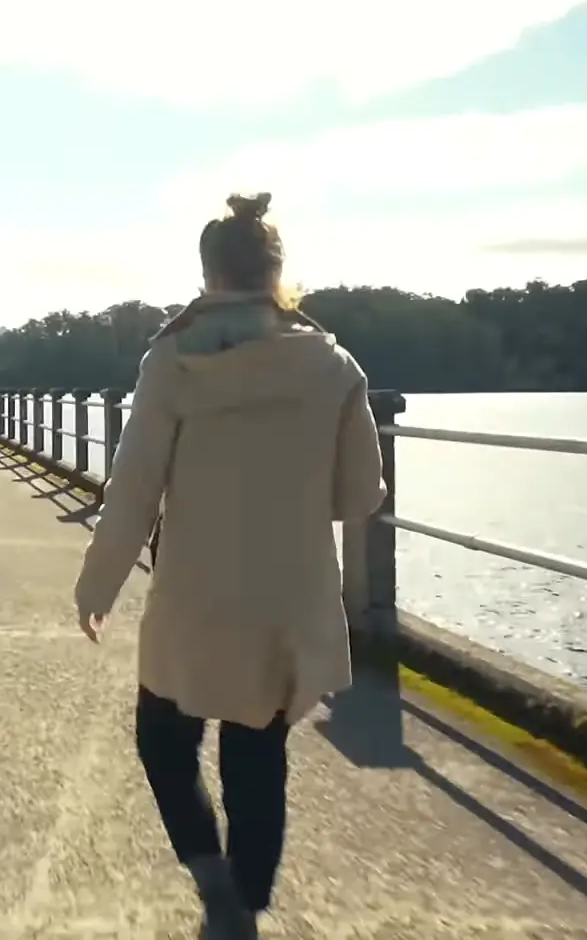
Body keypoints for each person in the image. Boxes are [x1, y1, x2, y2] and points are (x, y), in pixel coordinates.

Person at [72, 191, 387, 939]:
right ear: (277, 274)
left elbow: (136, 487)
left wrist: (99, 581)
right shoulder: (334, 364)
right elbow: (360, 494)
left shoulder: (172, 359)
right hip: (289, 599)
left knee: (164, 741)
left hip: (193, 598)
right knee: (258, 752)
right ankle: (245, 903)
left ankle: (210, 873)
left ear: (207, 273)